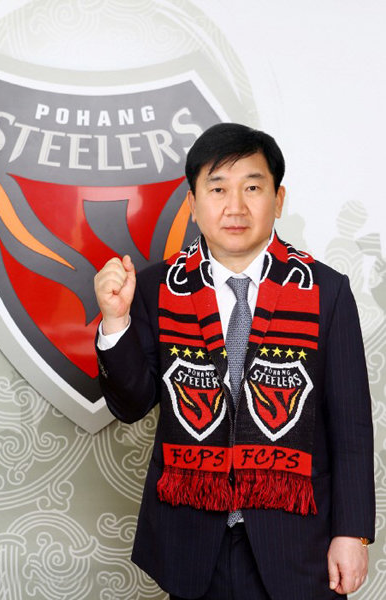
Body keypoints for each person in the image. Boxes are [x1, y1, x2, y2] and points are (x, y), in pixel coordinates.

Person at [94, 123, 375, 600]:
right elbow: (130, 405)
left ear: (278, 200)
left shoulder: (326, 291)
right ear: (193, 202)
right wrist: (115, 320)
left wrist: (352, 533)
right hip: (192, 541)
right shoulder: (157, 288)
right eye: (218, 189)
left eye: (252, 188)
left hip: (297, 540)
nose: (235, 207)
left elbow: (350, 427)